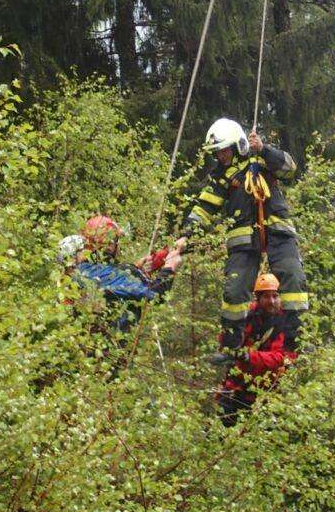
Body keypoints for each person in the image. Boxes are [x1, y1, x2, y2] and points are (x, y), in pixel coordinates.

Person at [181, 118, 308, 353]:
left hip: (278, 232)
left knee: (293, 278)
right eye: (217, 153)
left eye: (224, 151)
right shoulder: (221, 177)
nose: (220, 156)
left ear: (238, 145)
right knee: (234, 290)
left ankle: (295, 340)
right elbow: (203, 208)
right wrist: (185, 235)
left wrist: (264, 149)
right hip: (243, 242)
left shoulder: (261, 158)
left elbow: (290, 169)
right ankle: (230, 348)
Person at [58, 215, 183, 333]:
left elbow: (114, 278)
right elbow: (155, 294)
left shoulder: (75, 278)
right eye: (113, 241)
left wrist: (136, 268)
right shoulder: (94, 274)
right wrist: (170, 266)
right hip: (110, 349)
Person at [216, 273, 297, 426]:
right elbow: (229, 338)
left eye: (275, 296)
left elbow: (282, 358)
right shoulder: (248, 315)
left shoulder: (287, 324)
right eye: (266, 296)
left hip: (267, 393)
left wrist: (249, 356)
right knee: (220, 434)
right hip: (237, 388)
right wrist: (227, 349)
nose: (272, 301)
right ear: (258, 298)